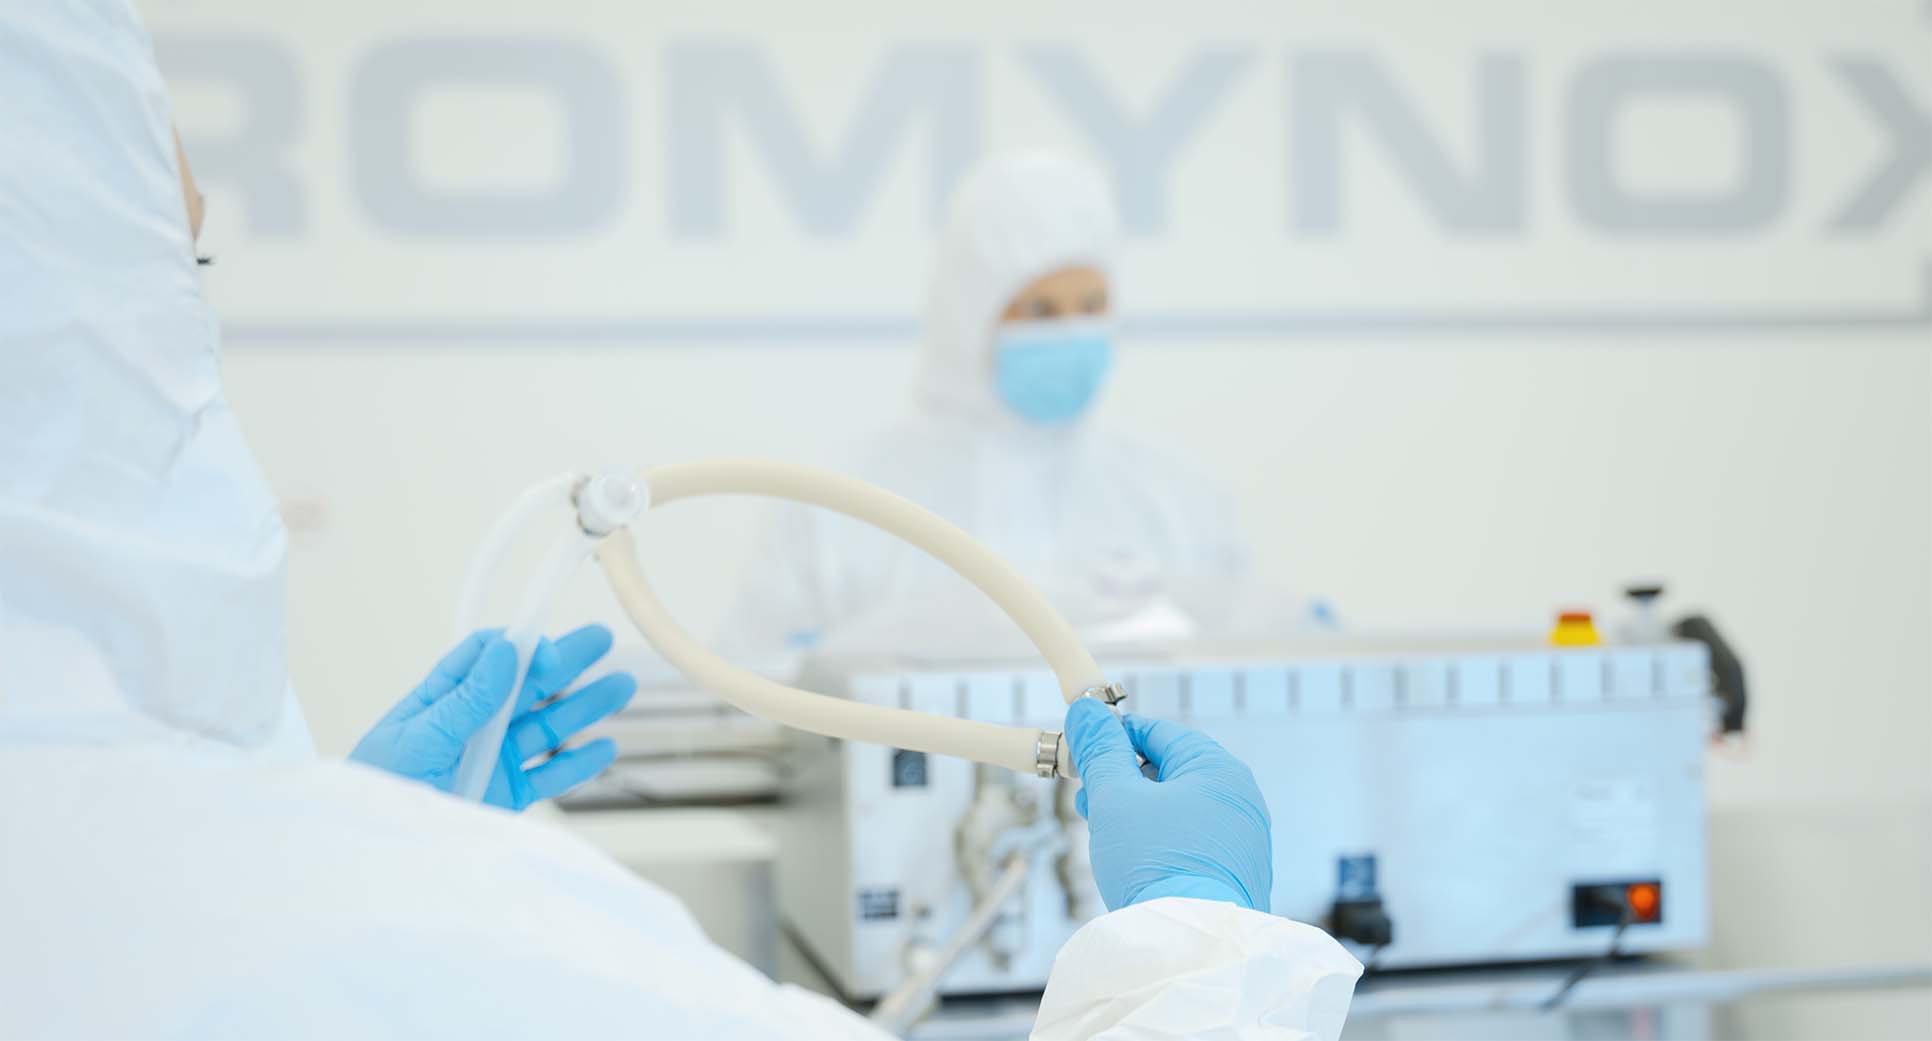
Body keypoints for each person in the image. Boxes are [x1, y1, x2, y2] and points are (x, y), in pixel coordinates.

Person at [0, 3, 1361, 1037]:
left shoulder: (86, 898)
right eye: (191, 263)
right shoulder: (518, 952)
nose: (1068, 337)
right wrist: (1199, 936)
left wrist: (313, 853)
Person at [726, 153, 1254, 661]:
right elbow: (758, 683)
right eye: (1040, 309)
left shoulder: (1178, 498)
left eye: (1092, 306)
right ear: (969, 314)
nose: (1072, 331)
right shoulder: (841, 505)